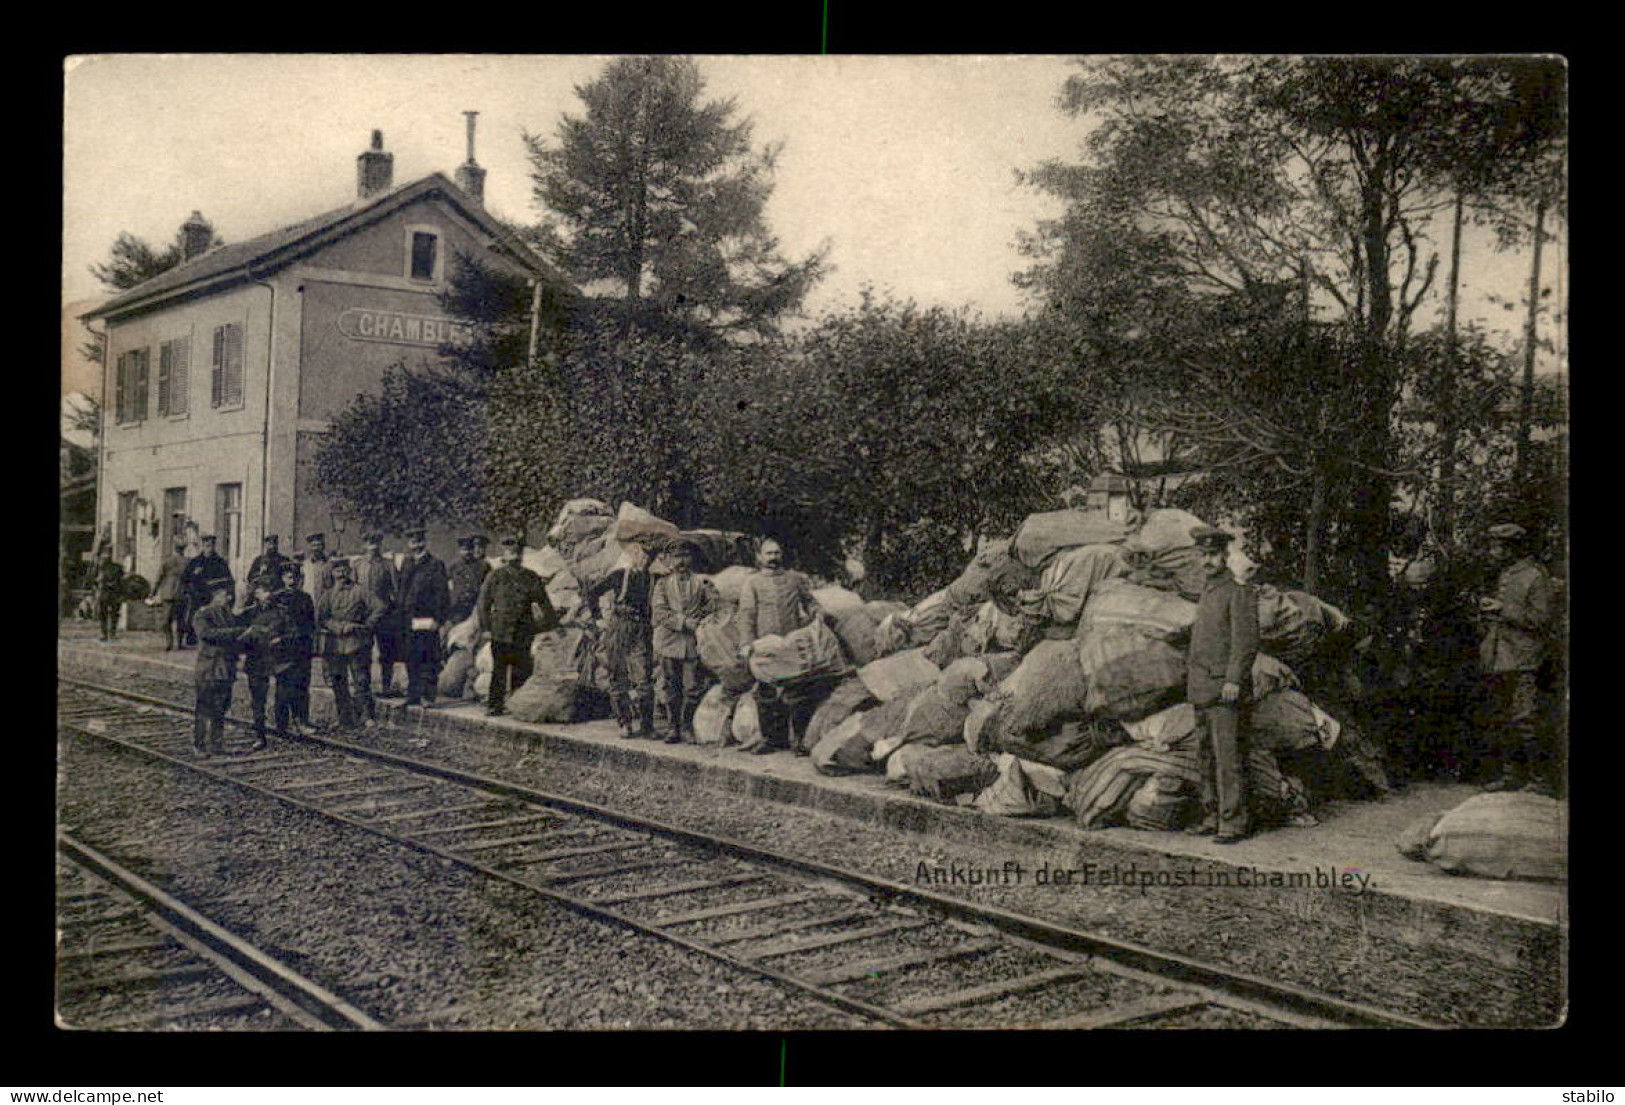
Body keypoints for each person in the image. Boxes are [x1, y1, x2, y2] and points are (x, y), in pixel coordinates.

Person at [1185, 526, 1260, 843]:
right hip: (1202, 686)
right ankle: (1211, 815)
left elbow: (1245, 641)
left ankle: (1233, 822)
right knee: (1205, 755)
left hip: (1224, 689)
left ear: (1225, 556)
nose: (1207, 561)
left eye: (1213, 554)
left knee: (1228, 757)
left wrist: (1233, 679)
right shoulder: (1208, 589)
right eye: (1203, 555)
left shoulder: (1237, 590)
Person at [1478, 522, 1558, 795]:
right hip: (1501, 657)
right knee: (1504, 720)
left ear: (1513, 547)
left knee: (1526, 719)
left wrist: (1503, 608)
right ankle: (1512, 776)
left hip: (1525, 659)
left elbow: (1541, 620)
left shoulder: (1535, 576)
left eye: (1497, 546)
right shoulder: (1507, 574)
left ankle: (1541, 780)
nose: (1493, 551)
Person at [735, 538, 822, 755]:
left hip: (791, 644)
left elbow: (810, 602)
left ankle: (800, 740)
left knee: (797, 692)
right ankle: (772, 739)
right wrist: (746, 644)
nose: (773, 558)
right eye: (769, 554)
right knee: (766, 693)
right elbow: (746, 615)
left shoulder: (794, 579)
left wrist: (817, 614)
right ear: (759, 557)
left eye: (776, 553)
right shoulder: (752, 582)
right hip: (764, 646)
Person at [477, 536, 556, 717]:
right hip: (500, 631)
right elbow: (483, 604)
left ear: (521, 555)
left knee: (521, 669)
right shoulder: (495, 576)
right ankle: (494, 705)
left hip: (523, 630)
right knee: (499, 670)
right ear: (504, 554)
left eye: (517, 552)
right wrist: (486, 629)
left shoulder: (530, 577)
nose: (513, 556)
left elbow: (544, 603)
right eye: (509, 552)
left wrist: (552, 625)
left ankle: (517, 705)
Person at [651, 539, 719, 744]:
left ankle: (687, 726)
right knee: (671, 687)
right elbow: (660, 612)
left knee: (692, 687)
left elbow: (714, 605)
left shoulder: (701, 582)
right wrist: (684, 622)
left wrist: (703, 618)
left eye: (685, 557)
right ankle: (673, 728)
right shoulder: (662, 584)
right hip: (669, 642)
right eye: (677, 557)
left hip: (692, 643)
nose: (681, 562)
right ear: (670, 561)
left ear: (692, 559)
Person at [586, 548, 656, 740]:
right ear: (633, 556)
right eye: (641, 556)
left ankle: (647, 725)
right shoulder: (619, 575)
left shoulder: (652, 579)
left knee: (644, 678)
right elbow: (592, 592)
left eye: (648, 558)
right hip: (619, 626)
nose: (644, 561)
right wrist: (598, 619)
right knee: (618, 675)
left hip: (642, 628)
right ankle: (624, 723)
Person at [317, 558, 385, 731]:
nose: (341, 574)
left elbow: (380, 607)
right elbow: (322, 618)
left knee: (361, 680)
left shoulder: (361, 591)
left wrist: (366, 625)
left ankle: (367, 717)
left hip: (357, 643)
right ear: (332, 574)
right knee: (339, 683)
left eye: (344, 570)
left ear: (349, 571)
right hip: (335, 644)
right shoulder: (328, 594)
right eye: (337, 571)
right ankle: (344, 718)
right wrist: (340, 627)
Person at [396, 527, 450, 708]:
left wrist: (438, 619)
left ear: (424, 543)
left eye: (419, 541)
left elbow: (442, 594)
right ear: (409, 544)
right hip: (408, 618)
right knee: (411, 657)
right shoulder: (407, 563)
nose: (416, 545)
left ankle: (428, 696)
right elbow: (401, 590)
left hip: (427, 618)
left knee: (428, 656)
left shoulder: (435, 564)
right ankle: (413, 695)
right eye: (412, 541)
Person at [192, 580, 247, 755]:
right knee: (204, 707)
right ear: (214, 596)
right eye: (224, 595)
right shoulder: (203, 614)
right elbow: (207, 634)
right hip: (209, 667)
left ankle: (217, 745)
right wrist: (235, 632)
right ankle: (199, 744)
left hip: (226, 666)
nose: (228, 597)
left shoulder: (227, 613)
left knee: (221, 707)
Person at [237, 575, 285, 748]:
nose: (267, 595)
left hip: (280, 660)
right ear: (256, 594)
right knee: (258, 700)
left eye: (269, 591)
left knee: (283, 695)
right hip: (257, 660)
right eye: (263, 591)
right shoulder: (249, 613)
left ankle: (283, 728)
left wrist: (281, 639)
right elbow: (239, 636)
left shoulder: (281, 611)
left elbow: (291, 632)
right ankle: (260, 735)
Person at [272, 560, 317, 736]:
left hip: (302, 649)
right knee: (283, 688)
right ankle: (281, 725)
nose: (292, 581)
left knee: (302, 686)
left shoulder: (305, 598)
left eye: (295, 577)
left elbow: (311, 623)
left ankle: (302, 720)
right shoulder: (276, 599)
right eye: (289, 577)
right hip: (283, 650)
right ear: (283, 578)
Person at [353, 533, 401, 698]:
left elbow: (396, 591)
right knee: (363, 652)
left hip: (385, 615)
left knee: (386, 652)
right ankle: (364, 686)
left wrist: (394, 611)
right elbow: (353, 590)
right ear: (364, 545)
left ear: (380, 544)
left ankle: (386, 685)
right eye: (369, 542)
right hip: (364, 615)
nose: (372, 547)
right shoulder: (358, 565)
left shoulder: (388, 565)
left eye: (375, 543)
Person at [181, 535, 234, 649]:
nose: (210, 549)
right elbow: (185, 578)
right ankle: (192, 637)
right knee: (194, 616)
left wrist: (227, 593)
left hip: (214, 596)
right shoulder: (195, 562)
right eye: (207, 546)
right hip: (198, 595)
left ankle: (212, 638)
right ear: (203, 546)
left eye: (212, 546)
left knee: (215, 616)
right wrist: (190, 589)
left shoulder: (220, 562)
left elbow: (228, 579)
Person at [148, 537, 190, 650]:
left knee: (168, 620)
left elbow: (158, 578)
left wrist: (152, 593)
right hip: (180, 594)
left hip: (170, 595)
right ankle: (175, 643)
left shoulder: (170, 561)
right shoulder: (186, 562)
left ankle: (171, 642)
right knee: (179, 620)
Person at [447, 535, 490, 634]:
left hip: (475, 607)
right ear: (459, 551)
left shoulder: (483, 566)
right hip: (457, 608)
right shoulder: (454, 566)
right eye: (463, 550)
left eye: (469, 549)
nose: (466, 553)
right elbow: (444, 584)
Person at [92, 547, 125, 642]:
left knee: (113, 614)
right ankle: (105, 633)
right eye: (104, 554)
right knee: (104, 614)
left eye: (107, 554)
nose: (106, 556)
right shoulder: (99, 568)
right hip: (105, 594)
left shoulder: (117, 568)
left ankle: (111, 633)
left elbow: (122, 582)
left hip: (113, 594)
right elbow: (93, 580)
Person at [302, 532, 336, 618]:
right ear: (309, 547)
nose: (316, 548)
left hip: (326, 604)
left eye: (318, 545)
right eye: (313, 545)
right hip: (309, 604)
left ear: (323, 546)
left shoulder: (330, 564)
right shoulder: (305, 565)